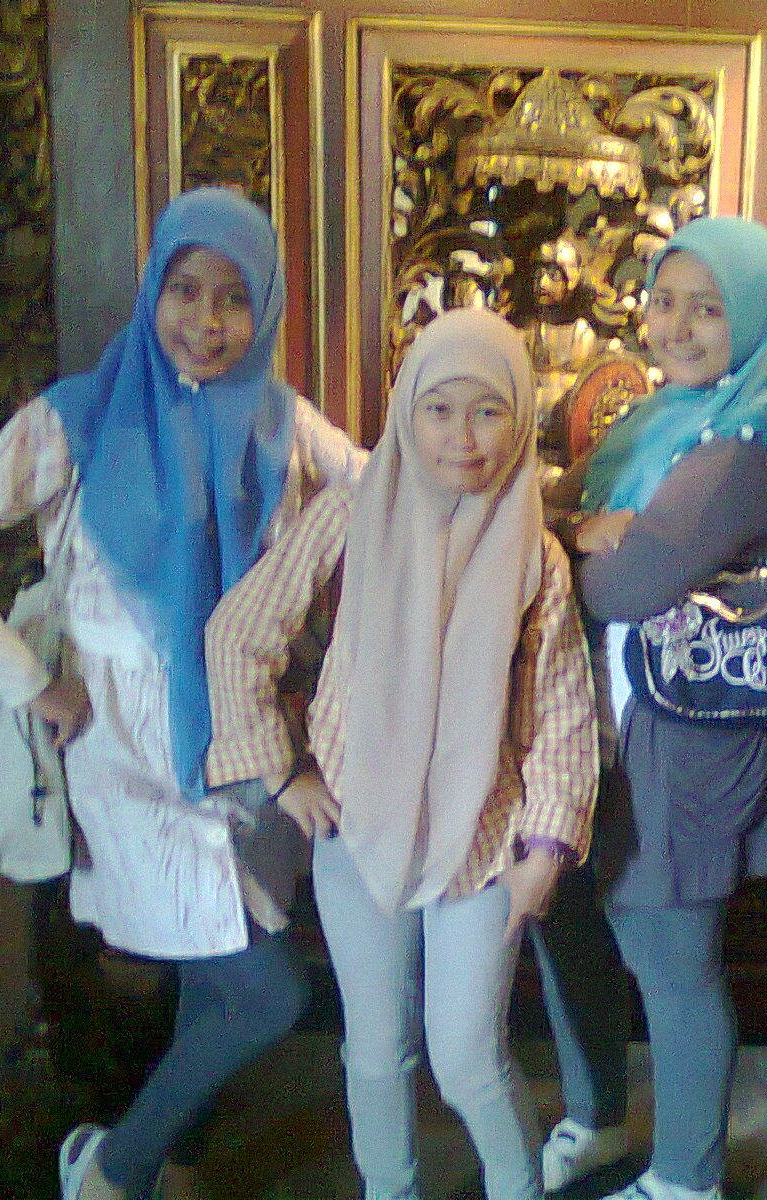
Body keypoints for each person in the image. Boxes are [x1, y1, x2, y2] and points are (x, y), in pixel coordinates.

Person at [0, 187, 367, 1200]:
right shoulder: (82, 417)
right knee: (267, 993)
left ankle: (174, 1155)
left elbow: (394, 492)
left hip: (247, 746)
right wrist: (25, 681)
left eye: (234, 296)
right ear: (153, 290)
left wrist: (534, 513)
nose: (207, 321)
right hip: (128, 753)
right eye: (185, 289)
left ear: (265, 304)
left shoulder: (282, 422)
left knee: (210, 958)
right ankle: (112, 1167)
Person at [204, 307, 599, 1200]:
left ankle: (517, 1188)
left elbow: (560, 713)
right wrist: (283, 771)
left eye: (490, 411)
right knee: (377, 1047)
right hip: (357, 823)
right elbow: (238, 634)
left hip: (482, 834)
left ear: (521, 421)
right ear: (405, 411)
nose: (464, 436)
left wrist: (546, 848)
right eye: (440, 410)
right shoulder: (351, 516)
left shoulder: (532, 554)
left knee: (467, 1058)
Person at [539, 215, 767, 1200]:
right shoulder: (653, 420)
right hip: (595, 723)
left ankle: (687, 1178)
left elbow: (628, 584)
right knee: (569, 918)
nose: (680, 327)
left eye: (710, 308)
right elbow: (539, 516)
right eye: (665, 303)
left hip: (685, 739)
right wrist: (580, 527)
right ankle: (597, 1120)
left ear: (755, 316)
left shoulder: (751, 436)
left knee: (668, 953)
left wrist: (570, 538)